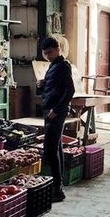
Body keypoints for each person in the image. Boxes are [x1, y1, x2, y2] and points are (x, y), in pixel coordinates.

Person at [38, 36, 75, 202]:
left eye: (50, 52)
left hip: (56, 112)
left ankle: (58, 188)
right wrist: (43, 84)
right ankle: (58, 185)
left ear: (58, 49)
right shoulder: (53, 65)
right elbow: (55, 87)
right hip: (49, 110)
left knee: (51, 149)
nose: (48, 56)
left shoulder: (63, 65)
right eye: (45, 53)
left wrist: (56, 110)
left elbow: (69, 91)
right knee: (56, 147)